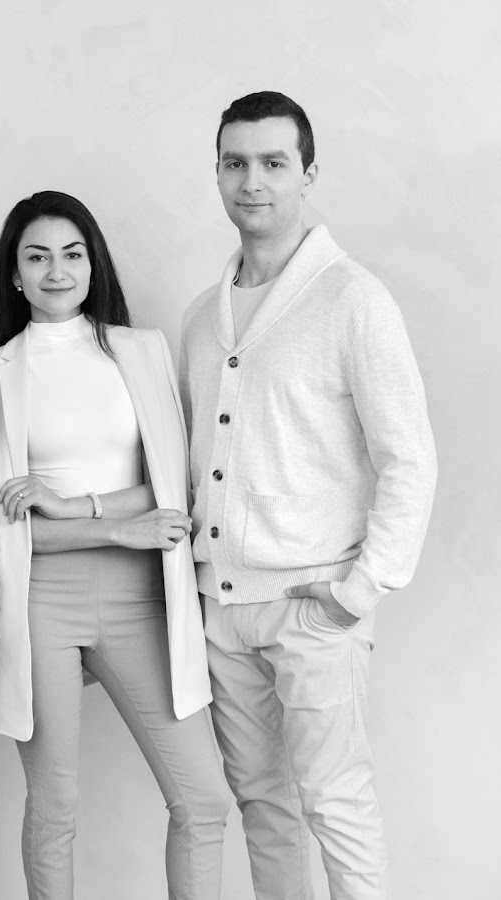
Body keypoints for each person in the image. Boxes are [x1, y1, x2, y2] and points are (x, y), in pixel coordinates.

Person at [179, 92, 437, 899]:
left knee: (336, 802)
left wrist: (362, 588)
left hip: (313, 604)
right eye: (235, 163)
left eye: (272, 162)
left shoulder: (351, 298)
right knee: (264, 806)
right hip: (221, 608)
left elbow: (409, 457)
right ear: (218, 172)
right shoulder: (201, 316)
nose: (252, 181)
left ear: (308, 173)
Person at [0, 190, 230, 899]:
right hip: (39, 602)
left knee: (203, 799)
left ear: (94, 263)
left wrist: (75, 505)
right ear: (15, 275)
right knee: (54, 806)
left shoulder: (141, 351)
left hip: (140, 595)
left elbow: (172, 486)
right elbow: (0, 531)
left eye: (72, 253)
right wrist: (114, 527)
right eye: (37, 257)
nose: (57, 271)